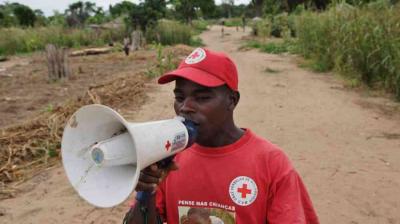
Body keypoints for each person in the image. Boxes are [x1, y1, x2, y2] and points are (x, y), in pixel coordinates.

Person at [123, 48, 319, 224]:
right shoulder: (168, 156)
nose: (185, 107)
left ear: (232, 100)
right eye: (180, 97)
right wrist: (146, 192)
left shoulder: (271, 163)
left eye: (202, 98)